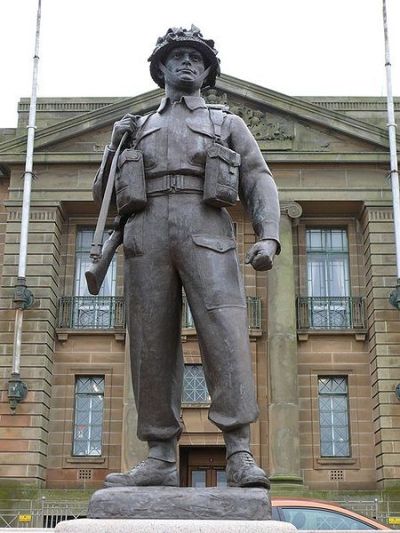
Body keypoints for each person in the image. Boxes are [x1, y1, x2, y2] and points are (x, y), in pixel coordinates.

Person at [93, 25, 280, 489]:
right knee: (150, 341)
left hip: (207, 228)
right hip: (146, 232)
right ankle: (158, 455)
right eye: (177, 56)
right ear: (160, 68)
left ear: (208, 71)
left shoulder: (225, 123)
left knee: (226, 337)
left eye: (196, 58)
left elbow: (257, 177)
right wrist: (114, 148)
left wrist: (269, 234)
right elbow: (102, 196)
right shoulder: (136, 128)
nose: (187, 63)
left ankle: (239, 451)